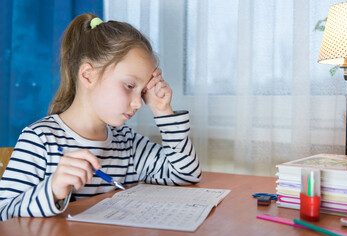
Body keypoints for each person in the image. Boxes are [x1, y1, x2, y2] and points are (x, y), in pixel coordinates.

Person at [0, 13, 201, 221]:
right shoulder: (40, 140)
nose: (138, 103)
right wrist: (52, 190)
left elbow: (185, 174)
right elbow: (4, 215)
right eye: (130, 86)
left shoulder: (127, 143)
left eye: (142, 92)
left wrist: (163, 111)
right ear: (88, 75)